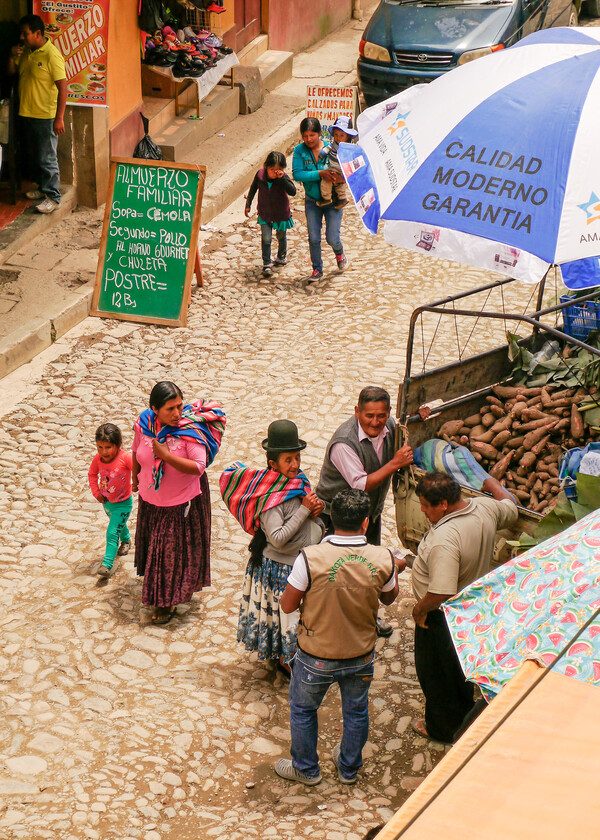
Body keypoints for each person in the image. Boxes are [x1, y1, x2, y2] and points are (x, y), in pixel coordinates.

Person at [274, 489, 399, 786]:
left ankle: (306, 769)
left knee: (304, 709)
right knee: (356, 712)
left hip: (316, 654)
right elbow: (390, 598)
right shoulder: (382, 557)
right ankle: (348, 768)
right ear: (365, 523)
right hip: (361, 654)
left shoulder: (311, 558)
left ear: (332, 520)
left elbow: (288, 604)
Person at [410, 471, 518, 744]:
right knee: (459, 669)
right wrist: (492, 483)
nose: (422, 510)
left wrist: (421, 609)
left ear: (443, 505)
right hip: (471, 610)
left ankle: (444, 729)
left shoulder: (446, 538)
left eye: (425, 505)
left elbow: (442, 591)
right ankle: (463, 716)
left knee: (436, 674)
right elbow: (511, 507)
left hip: (440, 617)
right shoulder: (484, 507)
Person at [220, 420, 325, 675]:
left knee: (293, 618)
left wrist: (317, 515)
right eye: (288, 460)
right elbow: (277, 538)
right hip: (279, 568)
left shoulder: (298, 482)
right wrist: (304, 510)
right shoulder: (269, 497)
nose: (295, 465)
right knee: (285, 620)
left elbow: (309, 522)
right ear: (273, 464)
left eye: (297, 457)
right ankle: (285, 660)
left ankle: (290, 657)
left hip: (298, 563)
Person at [316, 385, 416, 636]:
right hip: (337, 517)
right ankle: (333, 625)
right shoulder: (344, 443)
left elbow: (406, 426)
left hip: (368, 513)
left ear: (388, 412)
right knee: (340, 572)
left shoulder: (390, 427)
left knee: (369, 568)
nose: (375, 422)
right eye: (369, 416)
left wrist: (419, 417)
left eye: (381, 416)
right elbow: (360, 484)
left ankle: (368, 618)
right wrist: (395, 464)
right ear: (357, 412)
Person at [132, 381, 226, 625]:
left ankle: (166, 600)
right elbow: (136, 452)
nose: (176, 414)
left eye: (179, 406)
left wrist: (166, 456)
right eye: (169, 409)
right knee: (157, 548)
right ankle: (161, 592)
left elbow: (198, 467)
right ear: (154, 409)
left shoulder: (188, 431)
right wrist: (134, 479)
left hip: (181, 502)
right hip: (151, 500)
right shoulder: (144, 426)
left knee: (169, 551)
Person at [8, 15, 66, 214]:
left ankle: (54, 197)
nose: (22, 37)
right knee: (35, 155)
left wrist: (59, 117)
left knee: (47, 157)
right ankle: (42, 190)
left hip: (45, 116)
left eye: (26, 33)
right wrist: (10, 56)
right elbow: (12, 72)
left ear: (38, 33)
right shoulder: (26, 53)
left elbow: (63, 87)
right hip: (27, 113)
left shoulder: (51, 54)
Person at [292, 116, 347, 282]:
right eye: (305, 136)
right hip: (312, 201)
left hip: (334, 202)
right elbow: (297, 174)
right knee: (314, 237)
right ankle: (317, 269)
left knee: (332, 237)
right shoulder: (299, 151)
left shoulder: (333, 148)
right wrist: (320, 174)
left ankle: (339, 253)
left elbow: (348, 171)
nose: (309, 139)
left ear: (319, 134)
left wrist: (339, 178)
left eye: (312, 135)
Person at [87, 423, 133, 578]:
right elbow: (92, 475)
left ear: (118, 445)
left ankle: (107, 564)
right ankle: (126, 541)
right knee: (119, 525)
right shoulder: (98, 459)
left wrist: (137, 484)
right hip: (107, 503)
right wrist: (96, 492)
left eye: (107, 447)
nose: (103, 451)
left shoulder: (125, 458)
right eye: (99, 447)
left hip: (123, 503)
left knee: (112, 532)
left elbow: (140, 469)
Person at [245, 151, 296, 277]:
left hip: (281, 214)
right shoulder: (260, 175)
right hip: (265, 213)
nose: (275, 172)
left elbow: (293, 191)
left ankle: (281, 256)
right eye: (272, 169)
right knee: (266, 238)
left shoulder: (283, 178)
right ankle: (267, 262)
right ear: (266, 167)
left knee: (281, 235)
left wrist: (283, 177)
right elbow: (252, 189)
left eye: (279, 169)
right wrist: (248, 205)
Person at [316, 115, 357, 209]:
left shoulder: (349, 148)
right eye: (336, 135)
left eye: (342, 135)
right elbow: (327, 149)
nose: (338, 138)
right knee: (326, 181)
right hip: (332, 168)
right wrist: (322, 153)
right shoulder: (333, 145)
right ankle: (326, 197)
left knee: (341, 186)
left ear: (348, 136)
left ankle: (342, 199)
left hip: (343, 170)